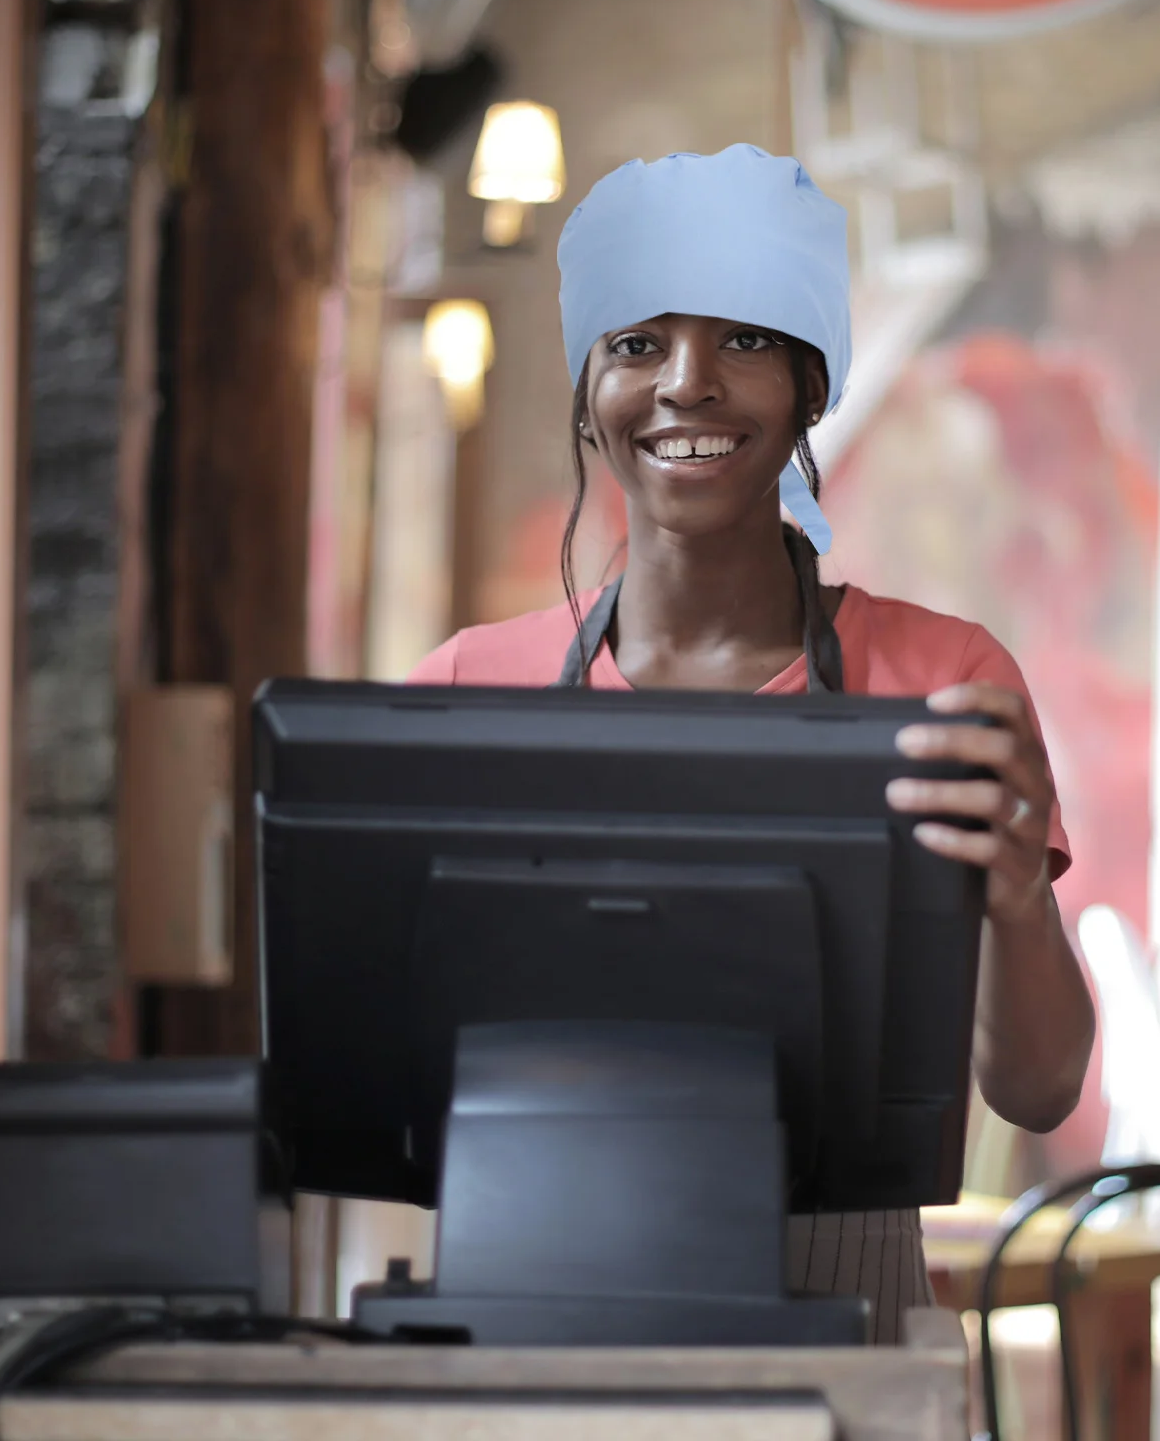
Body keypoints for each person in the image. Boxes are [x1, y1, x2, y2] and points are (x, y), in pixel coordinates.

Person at [408, 144, 1095, 1342]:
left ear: (813, 383)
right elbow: (391, 1072)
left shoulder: (945, 684)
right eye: (636, 344)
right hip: (529, 1288)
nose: (688, 384)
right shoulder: (466, 689)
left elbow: (1033, 1088)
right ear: (584, 389)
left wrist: (1018, 893)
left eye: (746, 338)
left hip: (846, 1295)